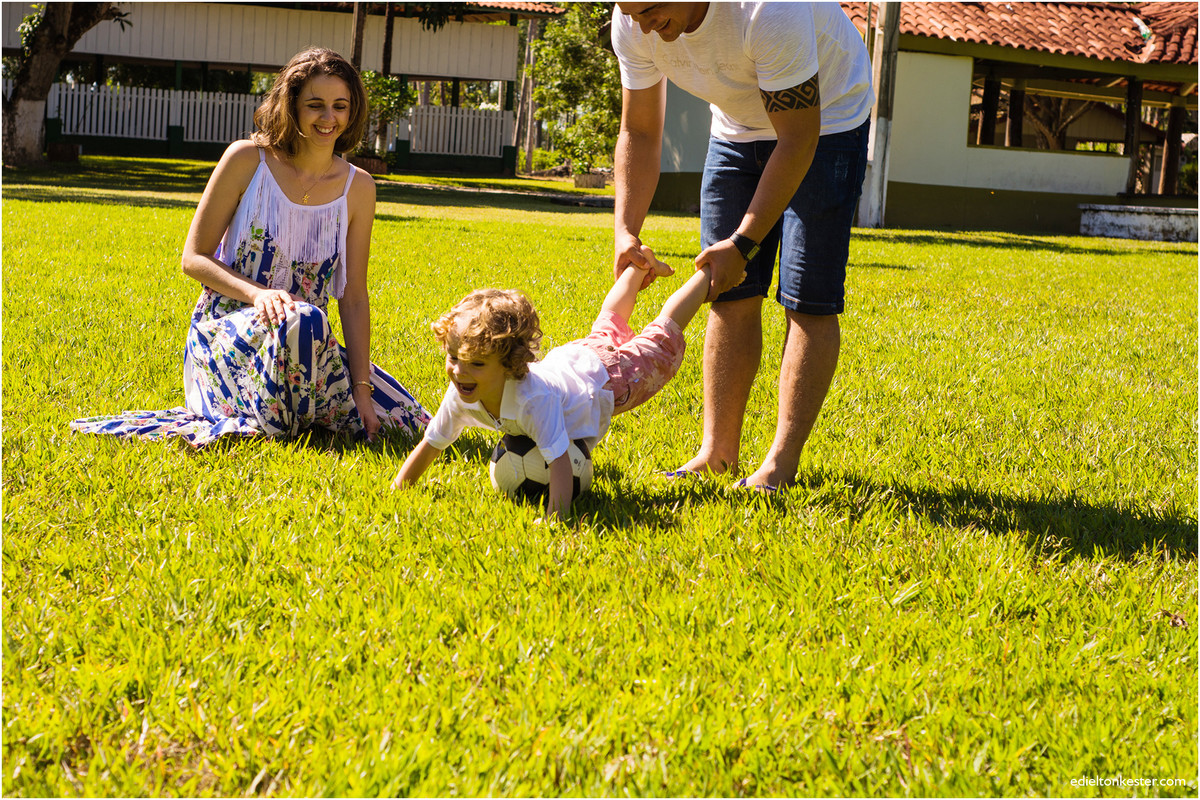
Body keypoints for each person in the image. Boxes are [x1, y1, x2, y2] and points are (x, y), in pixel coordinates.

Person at [71, 48, 428, 447]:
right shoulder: (247, 159)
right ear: (291, 105)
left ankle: (304, 411)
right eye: (315, 105)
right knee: (304, 319)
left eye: (339, 106)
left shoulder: (358, 187)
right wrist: (258, 294)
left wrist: (361, 388)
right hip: (229, 331)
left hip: (308, 342)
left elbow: (354, 296)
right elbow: (194, 258)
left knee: (409, 422)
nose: (329, 118)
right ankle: (290, 418)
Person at [611, 3, 874, 492]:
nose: (642, 24)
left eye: (651, 9)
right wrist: (626, 230)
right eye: (632, 12)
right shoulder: (631, 21)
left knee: (807, 297)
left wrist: (743, 241)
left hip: (828, 121)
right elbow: (640, 130)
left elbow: (798, 138)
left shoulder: (770, 9)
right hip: (736, 129)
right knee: (728, 293)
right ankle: (717, 454)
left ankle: (779, 466)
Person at [392, 252, 711, 519]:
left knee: (661, 342)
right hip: (576, 361)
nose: (459, 372)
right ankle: (639, 265)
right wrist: (399, 489)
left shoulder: (533, 400)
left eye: (476, 363)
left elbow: (559, 462)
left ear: (507, 364)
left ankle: (708, 275)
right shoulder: (462, 393)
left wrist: (556, 520)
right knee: (608, 323)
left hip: (607, 381)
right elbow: (432, 442)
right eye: (453, 357)